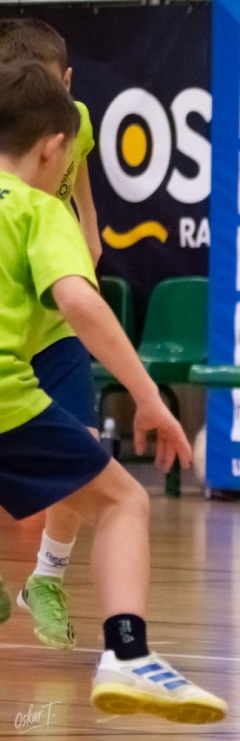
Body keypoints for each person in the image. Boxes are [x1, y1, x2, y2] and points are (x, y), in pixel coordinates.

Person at [0, 61, 227, 724]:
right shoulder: (40, 211)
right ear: (54, 148)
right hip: (7, 400)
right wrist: (148, 395)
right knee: (124, 500)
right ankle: (128, 655)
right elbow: (80, 301)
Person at [0, 17, 104, 650]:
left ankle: (47, 576)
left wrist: (87, 239)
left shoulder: (79, 123)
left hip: (56, 317)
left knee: (84, 447)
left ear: (65, 84)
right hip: (9, 320)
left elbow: (82, 191)